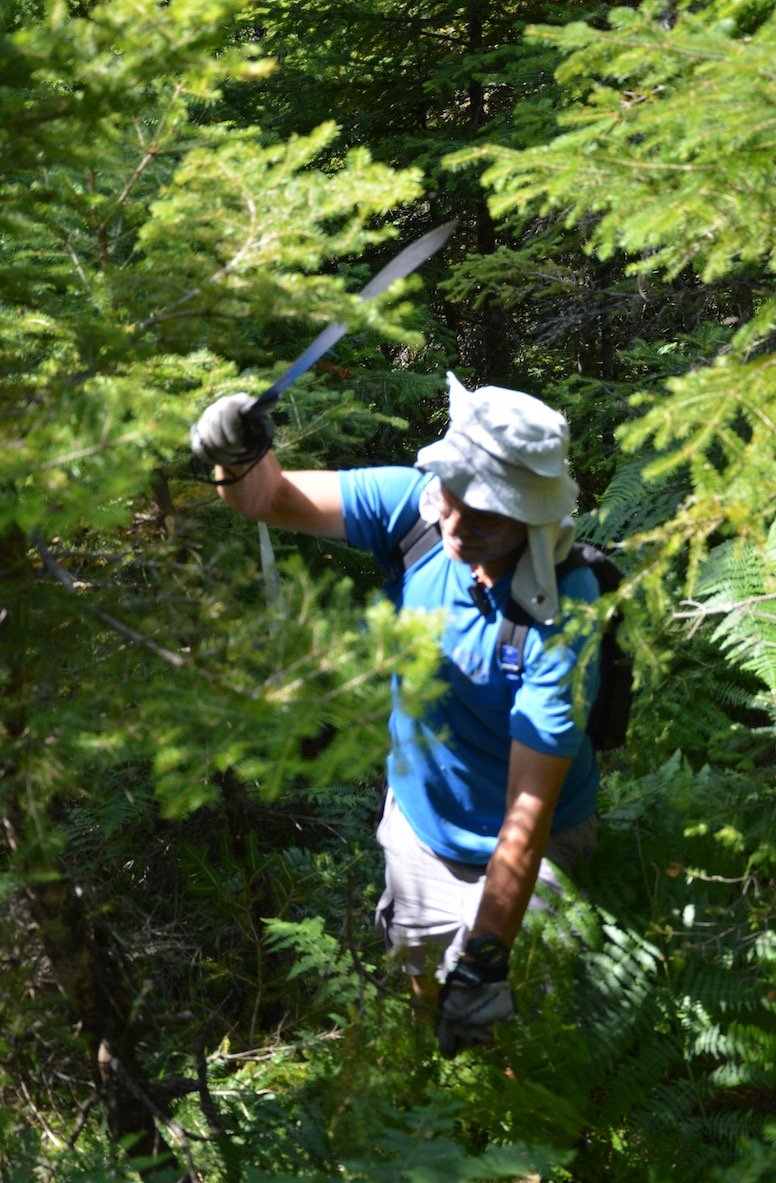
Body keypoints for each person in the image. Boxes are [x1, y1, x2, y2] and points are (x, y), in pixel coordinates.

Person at [191, 372, 600, 1056]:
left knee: (524, 1035)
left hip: (538, 845)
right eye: (453, 496)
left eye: (486, 515)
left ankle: (524, 1148)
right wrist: (236, 456)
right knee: (427, 992)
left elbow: (526, 822)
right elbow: (270, 498)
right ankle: (439, 1098)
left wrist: (486, 955)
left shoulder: (563, 611)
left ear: (532, 517)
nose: (457, 526)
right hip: (419, 827)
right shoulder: (416, 510)